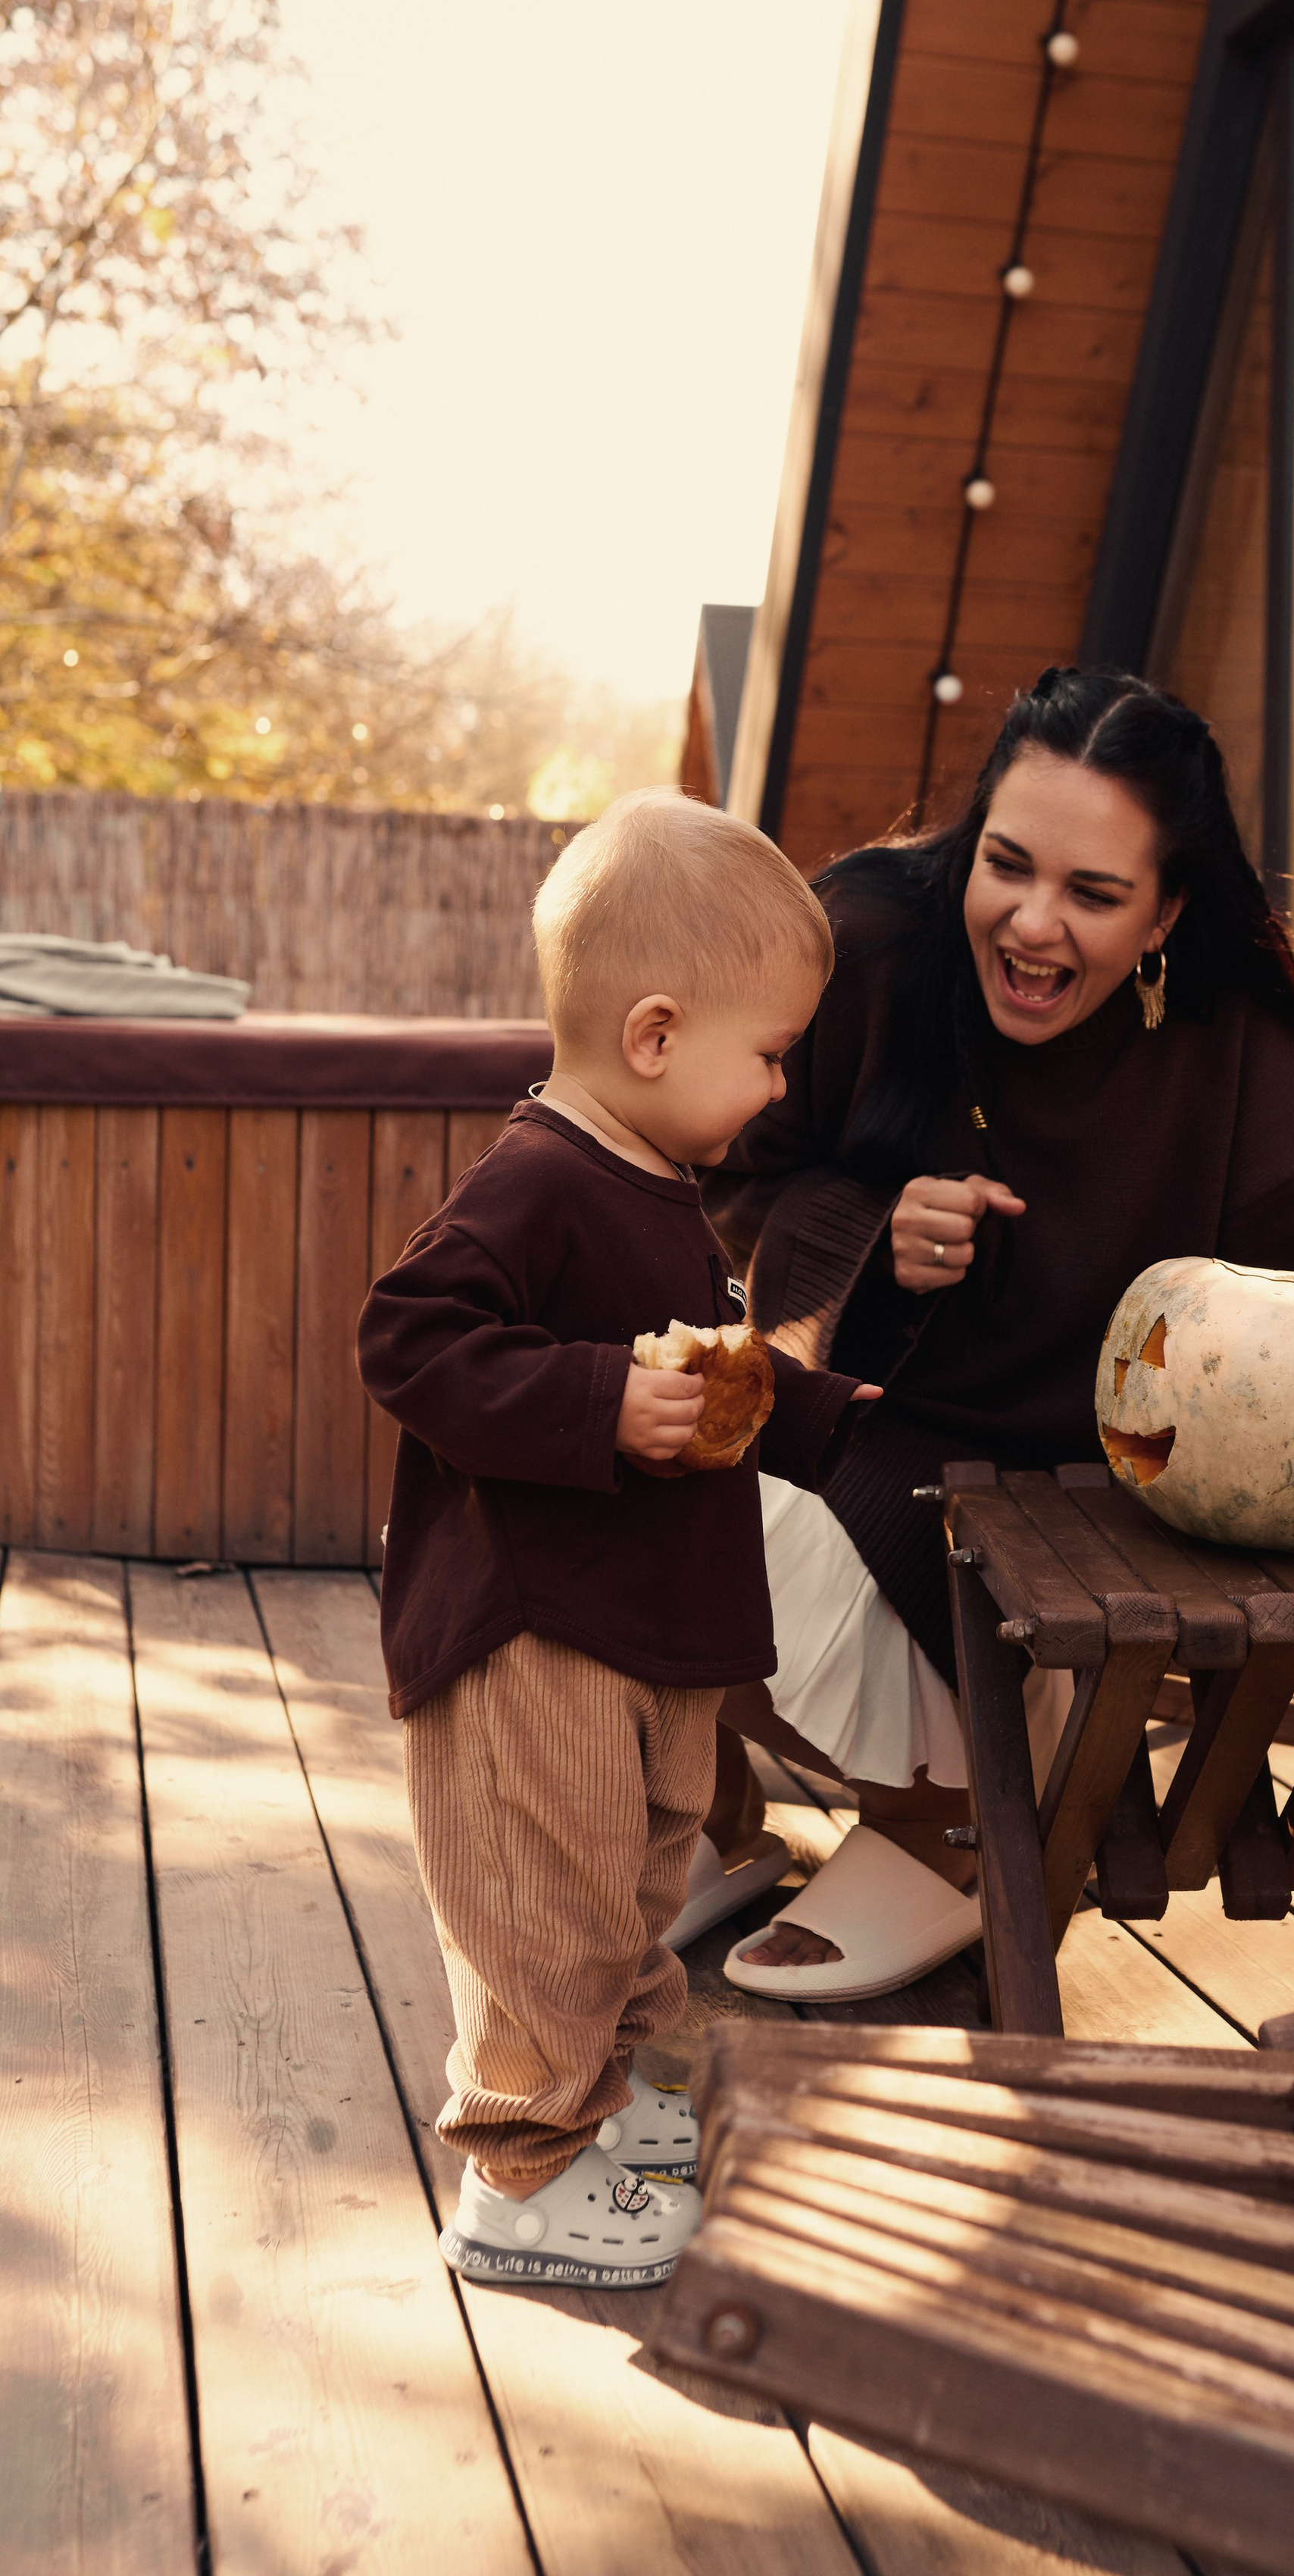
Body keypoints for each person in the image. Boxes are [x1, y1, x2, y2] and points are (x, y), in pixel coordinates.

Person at [700, 668, 1294, 2003]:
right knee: (593, 1482)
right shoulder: (868, 942)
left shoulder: (1227, 1035)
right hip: (864, 1433)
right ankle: (709, 1817)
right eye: (1007, 865)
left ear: (1167, 911)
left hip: (1091, 1509)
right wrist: (871, 1226)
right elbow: (720, 1174)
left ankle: (953, 1820)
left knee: (675, 1538)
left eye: (1094, 895)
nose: (1032, 925)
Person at [357, 790, 877, 2288]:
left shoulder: (659, 1186)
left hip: (644, 1634)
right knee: (547, 1913)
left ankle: (631, 2139)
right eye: (769, 1054)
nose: (780, 1089)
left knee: (634, 1901)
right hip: (537, 1637)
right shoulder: (536, 1182)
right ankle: (523, 2178)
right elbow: (409, 1337)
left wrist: (838, 1415)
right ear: (654, 1035)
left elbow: (710, 1380)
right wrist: (594, 1401)